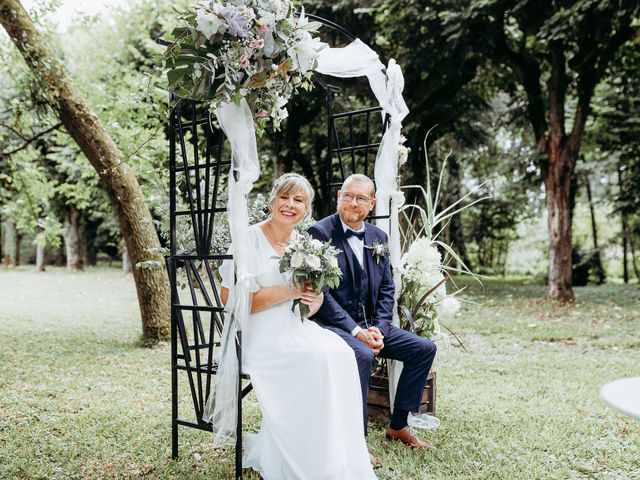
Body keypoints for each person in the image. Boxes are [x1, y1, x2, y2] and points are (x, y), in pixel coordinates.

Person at [218, 173, 377, 479]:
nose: (290, 205)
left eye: (298, 200)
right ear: (271, 202)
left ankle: (334, 451)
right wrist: (289, 292)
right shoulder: (247, 239)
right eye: (284, 197)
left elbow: (313, 301)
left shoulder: (304, 243)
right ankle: (301, 456)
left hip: (296, 327)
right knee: (316, 360)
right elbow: (230, 299)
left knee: (341, 354)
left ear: (307, 209)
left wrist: (312, 296)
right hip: (256, 333)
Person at [308, 173, 437, 449]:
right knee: (362, 355)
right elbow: (322, 295)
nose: (353, 203)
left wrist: (378, 328)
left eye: (361, 198)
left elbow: (387, 290)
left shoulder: (379, 237)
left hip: (372, 326)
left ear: (372, 203)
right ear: (338, 197)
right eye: (348, 196)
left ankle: (399, 425)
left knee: (423, 349)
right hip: (334, 327)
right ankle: (357, 442)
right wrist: (356, 332)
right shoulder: (319, 233)